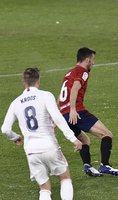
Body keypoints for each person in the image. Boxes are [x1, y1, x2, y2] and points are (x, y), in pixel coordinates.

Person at [1, 68, 82, 200]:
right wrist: (73, 139)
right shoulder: (45, 95)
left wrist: (16, 137)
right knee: (65, 178)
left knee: (44, 189)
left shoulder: (15, 103)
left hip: (31, 151)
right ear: (38, 81)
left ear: (23, 82)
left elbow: (5, 129)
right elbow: (57, 118)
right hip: (49, 146)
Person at [58, 47, 118, 176]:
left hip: (63, 115)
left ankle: (88, 166)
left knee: (84, 140)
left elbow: (60, 96)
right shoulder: (83, 71)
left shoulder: (69, 73)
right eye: (92, 60)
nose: (93, 63)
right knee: (106, 134)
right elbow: (75, 88)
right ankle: (105, 165)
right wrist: (73, 110)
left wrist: (57, 116)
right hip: (76, 113)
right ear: (87, 60)